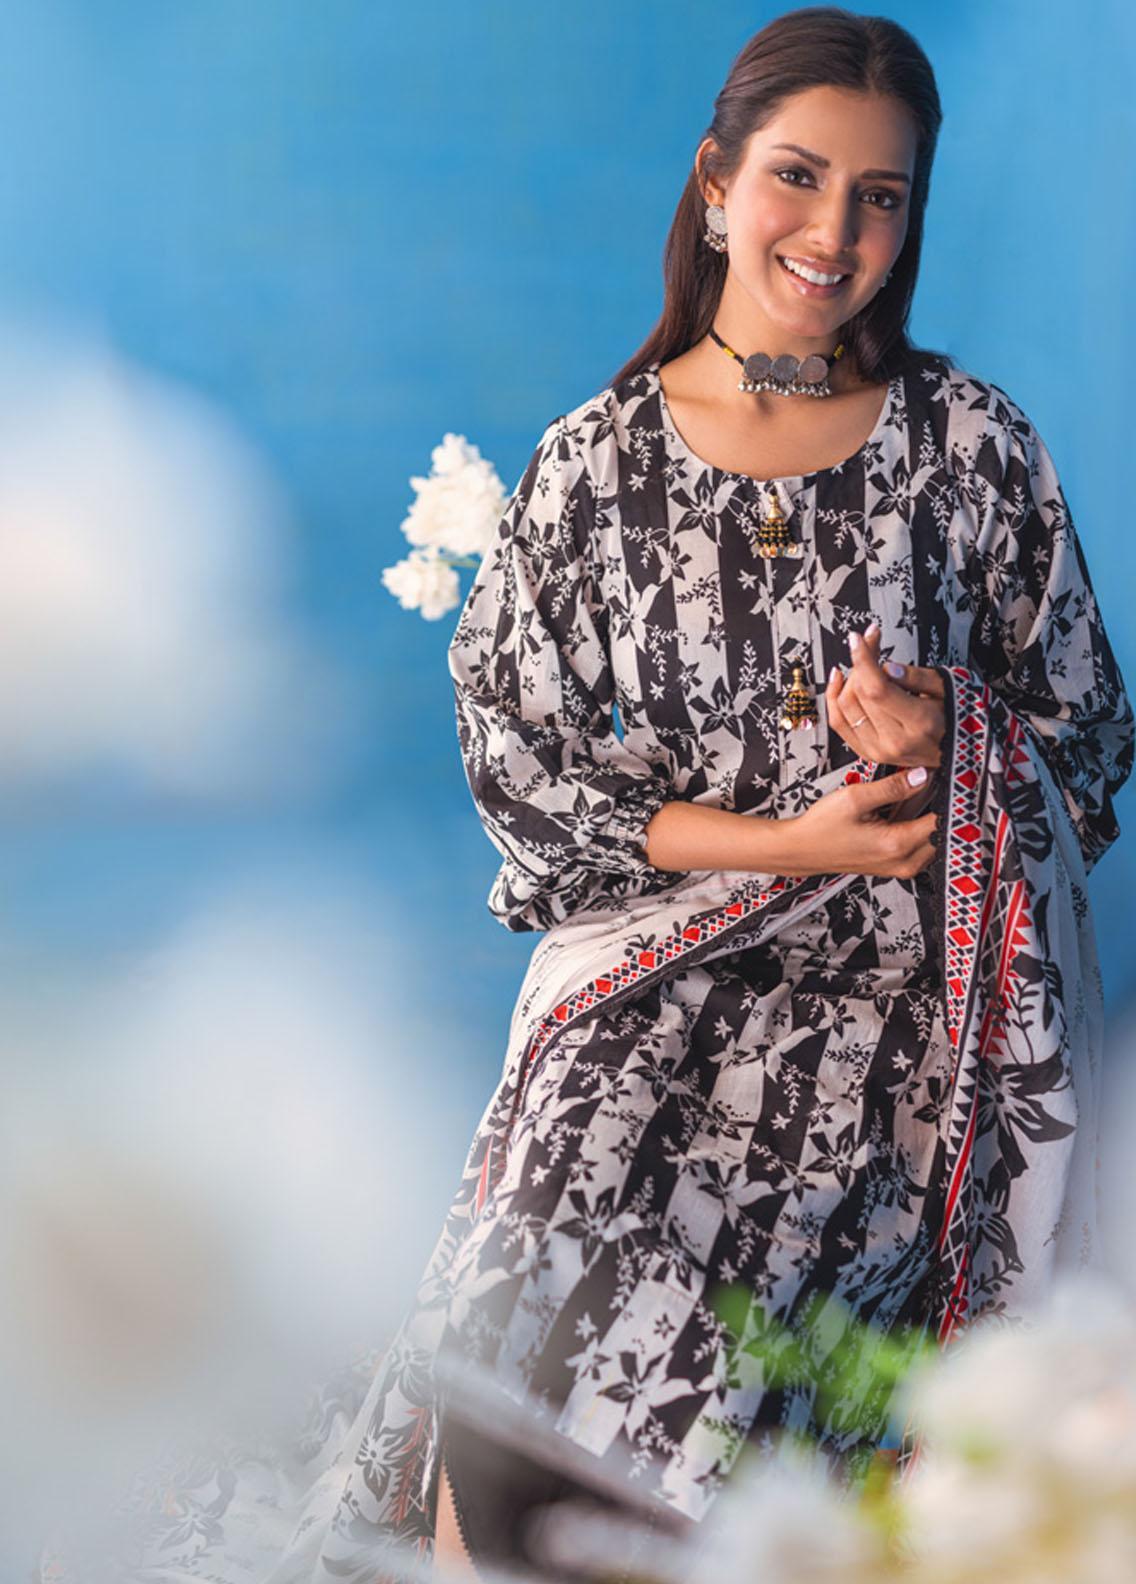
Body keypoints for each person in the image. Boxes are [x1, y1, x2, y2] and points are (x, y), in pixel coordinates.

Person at [40, 8, 1134, 1584]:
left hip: (904, 1003)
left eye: (881, 196)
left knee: (797, 1269)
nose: (834, 232)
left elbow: (1089, 742)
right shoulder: (596, 469)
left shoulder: (973, 451)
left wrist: (947, 732)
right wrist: (789, 841)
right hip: (667, 964)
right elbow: (523, 760)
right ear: (716, 182)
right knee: (551, 1205)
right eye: (799, 176)